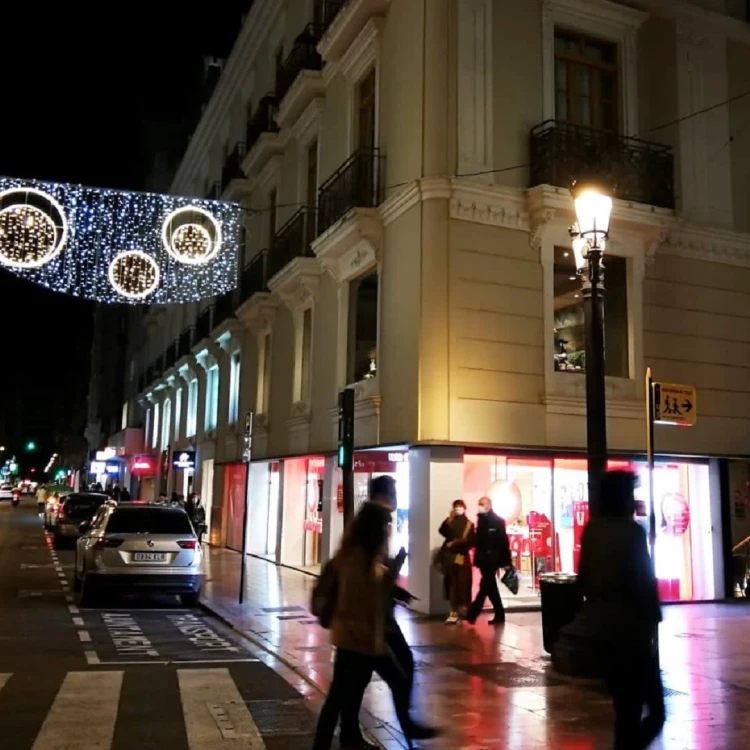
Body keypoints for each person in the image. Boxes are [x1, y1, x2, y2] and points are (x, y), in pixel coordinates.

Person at [577, 470, 665, 750]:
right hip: (631, 633)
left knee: (624, 709)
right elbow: (644, 582)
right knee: (652, 710)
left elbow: (584, 580)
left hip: (603, 633)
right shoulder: (631, 533)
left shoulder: (592, 531)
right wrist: (653, 620)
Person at [348, 476, 437, 746]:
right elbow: (367, 571)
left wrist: (396, 590)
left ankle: (352, 732)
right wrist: (395, 569)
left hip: (377, 615)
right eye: (394, 492)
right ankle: (404, 727)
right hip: (371, 618)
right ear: (385, 495)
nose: (397, 498)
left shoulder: (378, 521)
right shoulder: (373, 522)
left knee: (356, 680)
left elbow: (375, 569)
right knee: (386, 673)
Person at [312, 502, 392, 750]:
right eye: (385, 525)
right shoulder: (357, 561)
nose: (388, 530)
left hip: (361, 640)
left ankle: (349, 738)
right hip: (357, 640)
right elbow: (356, 603)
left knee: (348, 694)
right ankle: (328, 743)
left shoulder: (360, 557)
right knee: (339, 697)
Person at [466, 495, 512, 625]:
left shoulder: (496, 521)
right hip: (483, 560)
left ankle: (472, 614)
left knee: (484, 586)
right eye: (480, 503)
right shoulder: (480, 520)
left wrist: (506, 562)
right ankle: (499, 614)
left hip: (492, 559)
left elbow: (503, 542)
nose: (481, 506)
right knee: (490, 587)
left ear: (489, 505)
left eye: (483, 504)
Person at [438, 499, 475, 624]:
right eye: (456, 507)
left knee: (463, 586)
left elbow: (471, 542)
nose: (458, 509)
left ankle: (463, 610)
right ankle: (453, 611)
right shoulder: (451, 521)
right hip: (450, 559)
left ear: (464, 508)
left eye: (460, 506)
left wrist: (456, 543)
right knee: (452, 586)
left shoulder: (469, 524)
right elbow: (442, 531)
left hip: (462, 557)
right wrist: (449, 519)